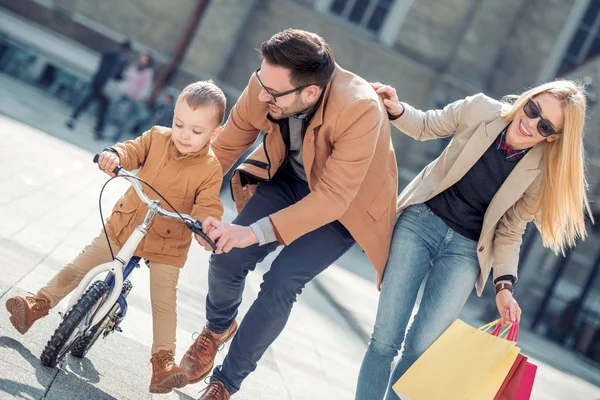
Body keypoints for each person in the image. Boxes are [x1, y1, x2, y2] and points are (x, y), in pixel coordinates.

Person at [178, 29, 398, 399]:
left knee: (283, 280)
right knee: (227, 256)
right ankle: (217, 329)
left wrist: (254, 231)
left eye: (273, 93)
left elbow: (333, 197)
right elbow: (226, 146)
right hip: (290, 180)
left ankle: (225, 383)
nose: (262, 95)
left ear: (309, 92)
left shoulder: (361, 108)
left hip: (344, 206)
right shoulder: (267, 83)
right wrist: (187, 197)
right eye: (261, 82)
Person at [355, 80, 592, 400]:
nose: (531, 122)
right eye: (533, 109)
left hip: (466, 251)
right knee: (385, 340)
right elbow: (426, 125)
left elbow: (511, 230)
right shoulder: (480, 109)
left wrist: (505, 287)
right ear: (528, 98)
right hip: (420, 224)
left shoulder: (538, 171)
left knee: (420, 349)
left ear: (553, 136)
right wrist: (397, 109)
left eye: (544, 124)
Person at [6, 81, 227, 394]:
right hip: (125, 226)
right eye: (178, 124)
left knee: (164, 301)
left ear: (214, 133)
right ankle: (37, 305)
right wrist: (114, 155)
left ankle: (162, 362)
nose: (183, 134)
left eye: (196, 130)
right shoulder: (157, 137)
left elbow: (208, 203)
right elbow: (132, 150)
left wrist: (207, 223)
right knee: (79, 265)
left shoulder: (210, 168)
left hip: (168, 241)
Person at [66, 40, 132, 140]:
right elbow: (115, 72)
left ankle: (75, 118)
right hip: (106, 84)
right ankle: (98, 131)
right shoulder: (121, 58)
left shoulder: (110, 51)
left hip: (99, 80)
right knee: (101, 108)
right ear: (127, 49)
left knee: (90, 102)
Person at [109, 52, 154, 141]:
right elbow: (127, 76)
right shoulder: (135, 66)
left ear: (148, 62)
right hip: (125, 91)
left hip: (134, 97)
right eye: (142, 58)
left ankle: (117, 136)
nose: (142, 60)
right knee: (112, 107)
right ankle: (104, 128)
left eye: (144, 59)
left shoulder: (148, 72)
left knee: (126, 118)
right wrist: (123, 85)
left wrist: (139, 97)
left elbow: (145, 86)